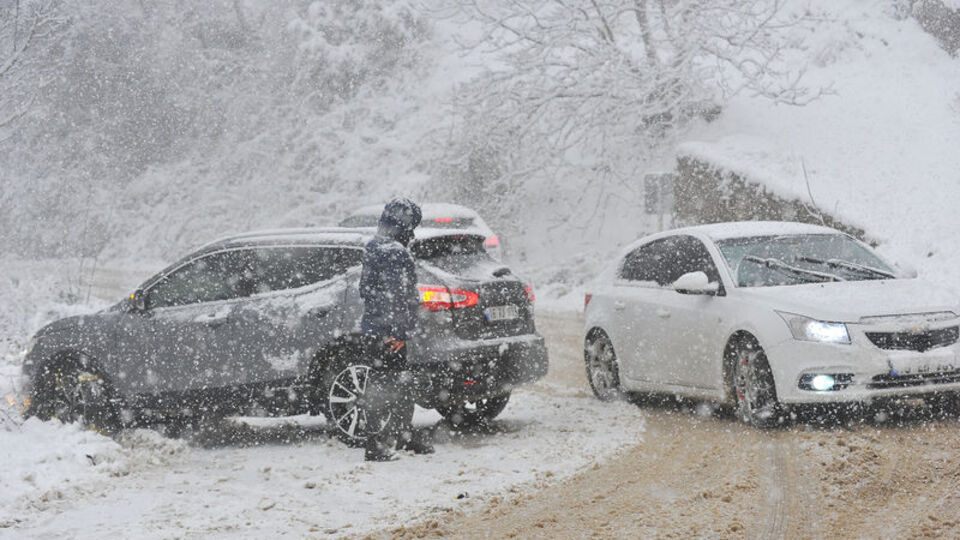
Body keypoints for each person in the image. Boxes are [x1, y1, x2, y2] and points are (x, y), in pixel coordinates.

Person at [359, 197, 435, 461]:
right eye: (412, 225)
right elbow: (398, 296)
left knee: (397, 386)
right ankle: (375, 444)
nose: (413, 232)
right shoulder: (394, 251)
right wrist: (399, 332)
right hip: (388, 333)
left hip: (375, 329)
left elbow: (367, 291)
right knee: (387, 388)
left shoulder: (374, 246)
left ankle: (401, 436)